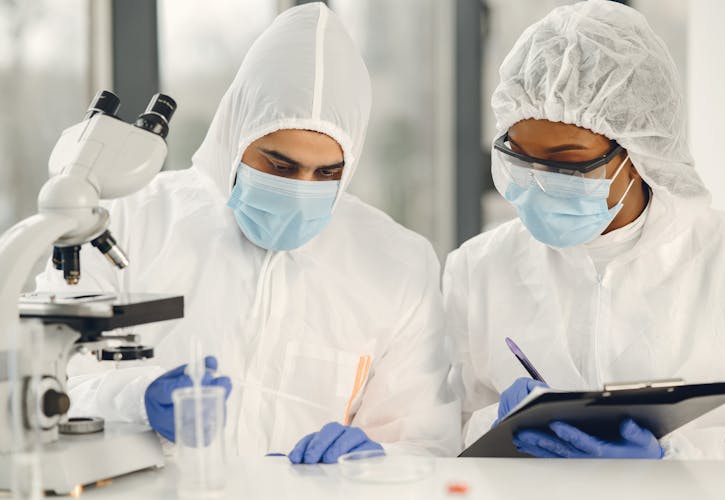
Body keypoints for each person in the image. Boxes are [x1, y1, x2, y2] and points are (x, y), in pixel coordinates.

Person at [36, 3, 460, 462]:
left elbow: (425, 443)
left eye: (327, 172)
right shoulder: (124, 221)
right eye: (279, 165)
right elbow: (43, 379)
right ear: (235, 135)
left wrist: (372, 463)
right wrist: (136, 397)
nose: (300, 189)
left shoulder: (398, 262)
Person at [444, 0, 725, 459]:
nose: (539, 180)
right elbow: (441, 433)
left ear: (640, 149)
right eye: (522, 157)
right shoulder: (479, 267)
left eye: (566, 162)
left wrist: (674, 457)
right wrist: (498, 424)